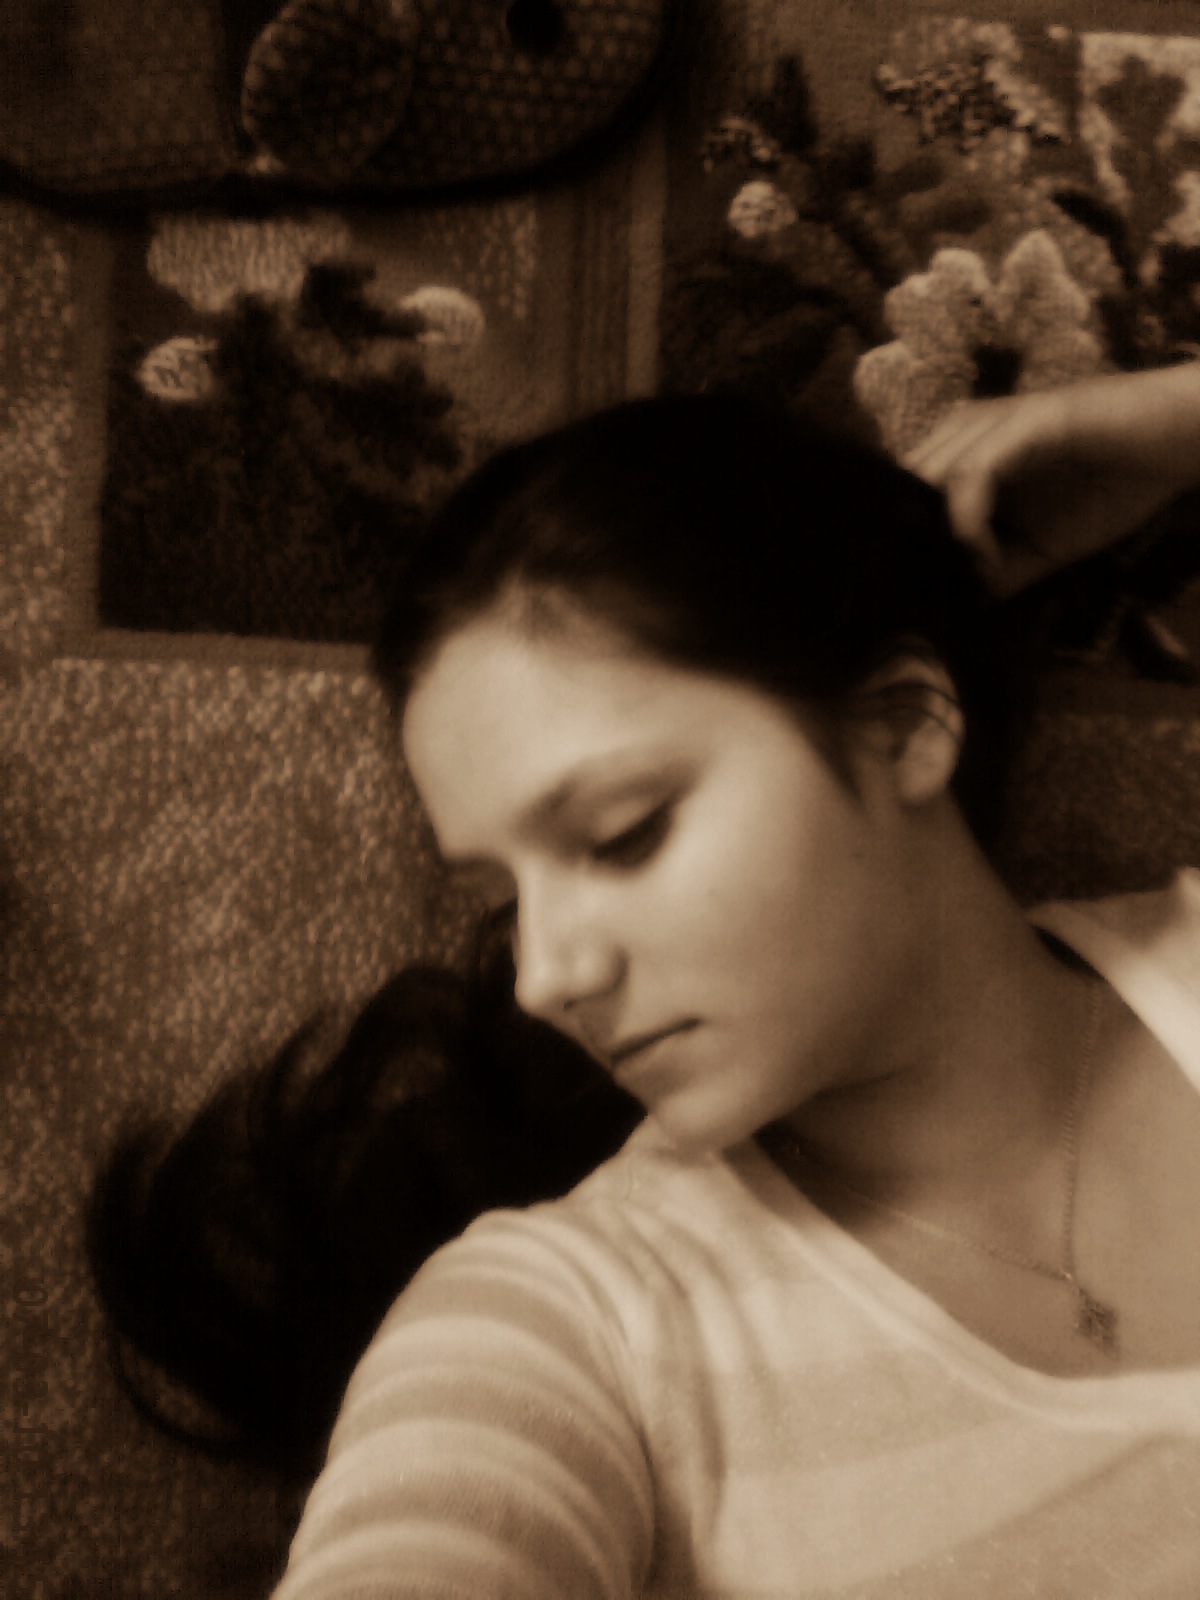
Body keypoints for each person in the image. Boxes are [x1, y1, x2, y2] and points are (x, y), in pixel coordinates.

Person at [91, 363, 1200, 1597]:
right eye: (503, 903)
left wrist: (1177, 422)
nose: (545, 975)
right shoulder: (575, 1317)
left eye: (623, 835)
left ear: (903, 725)